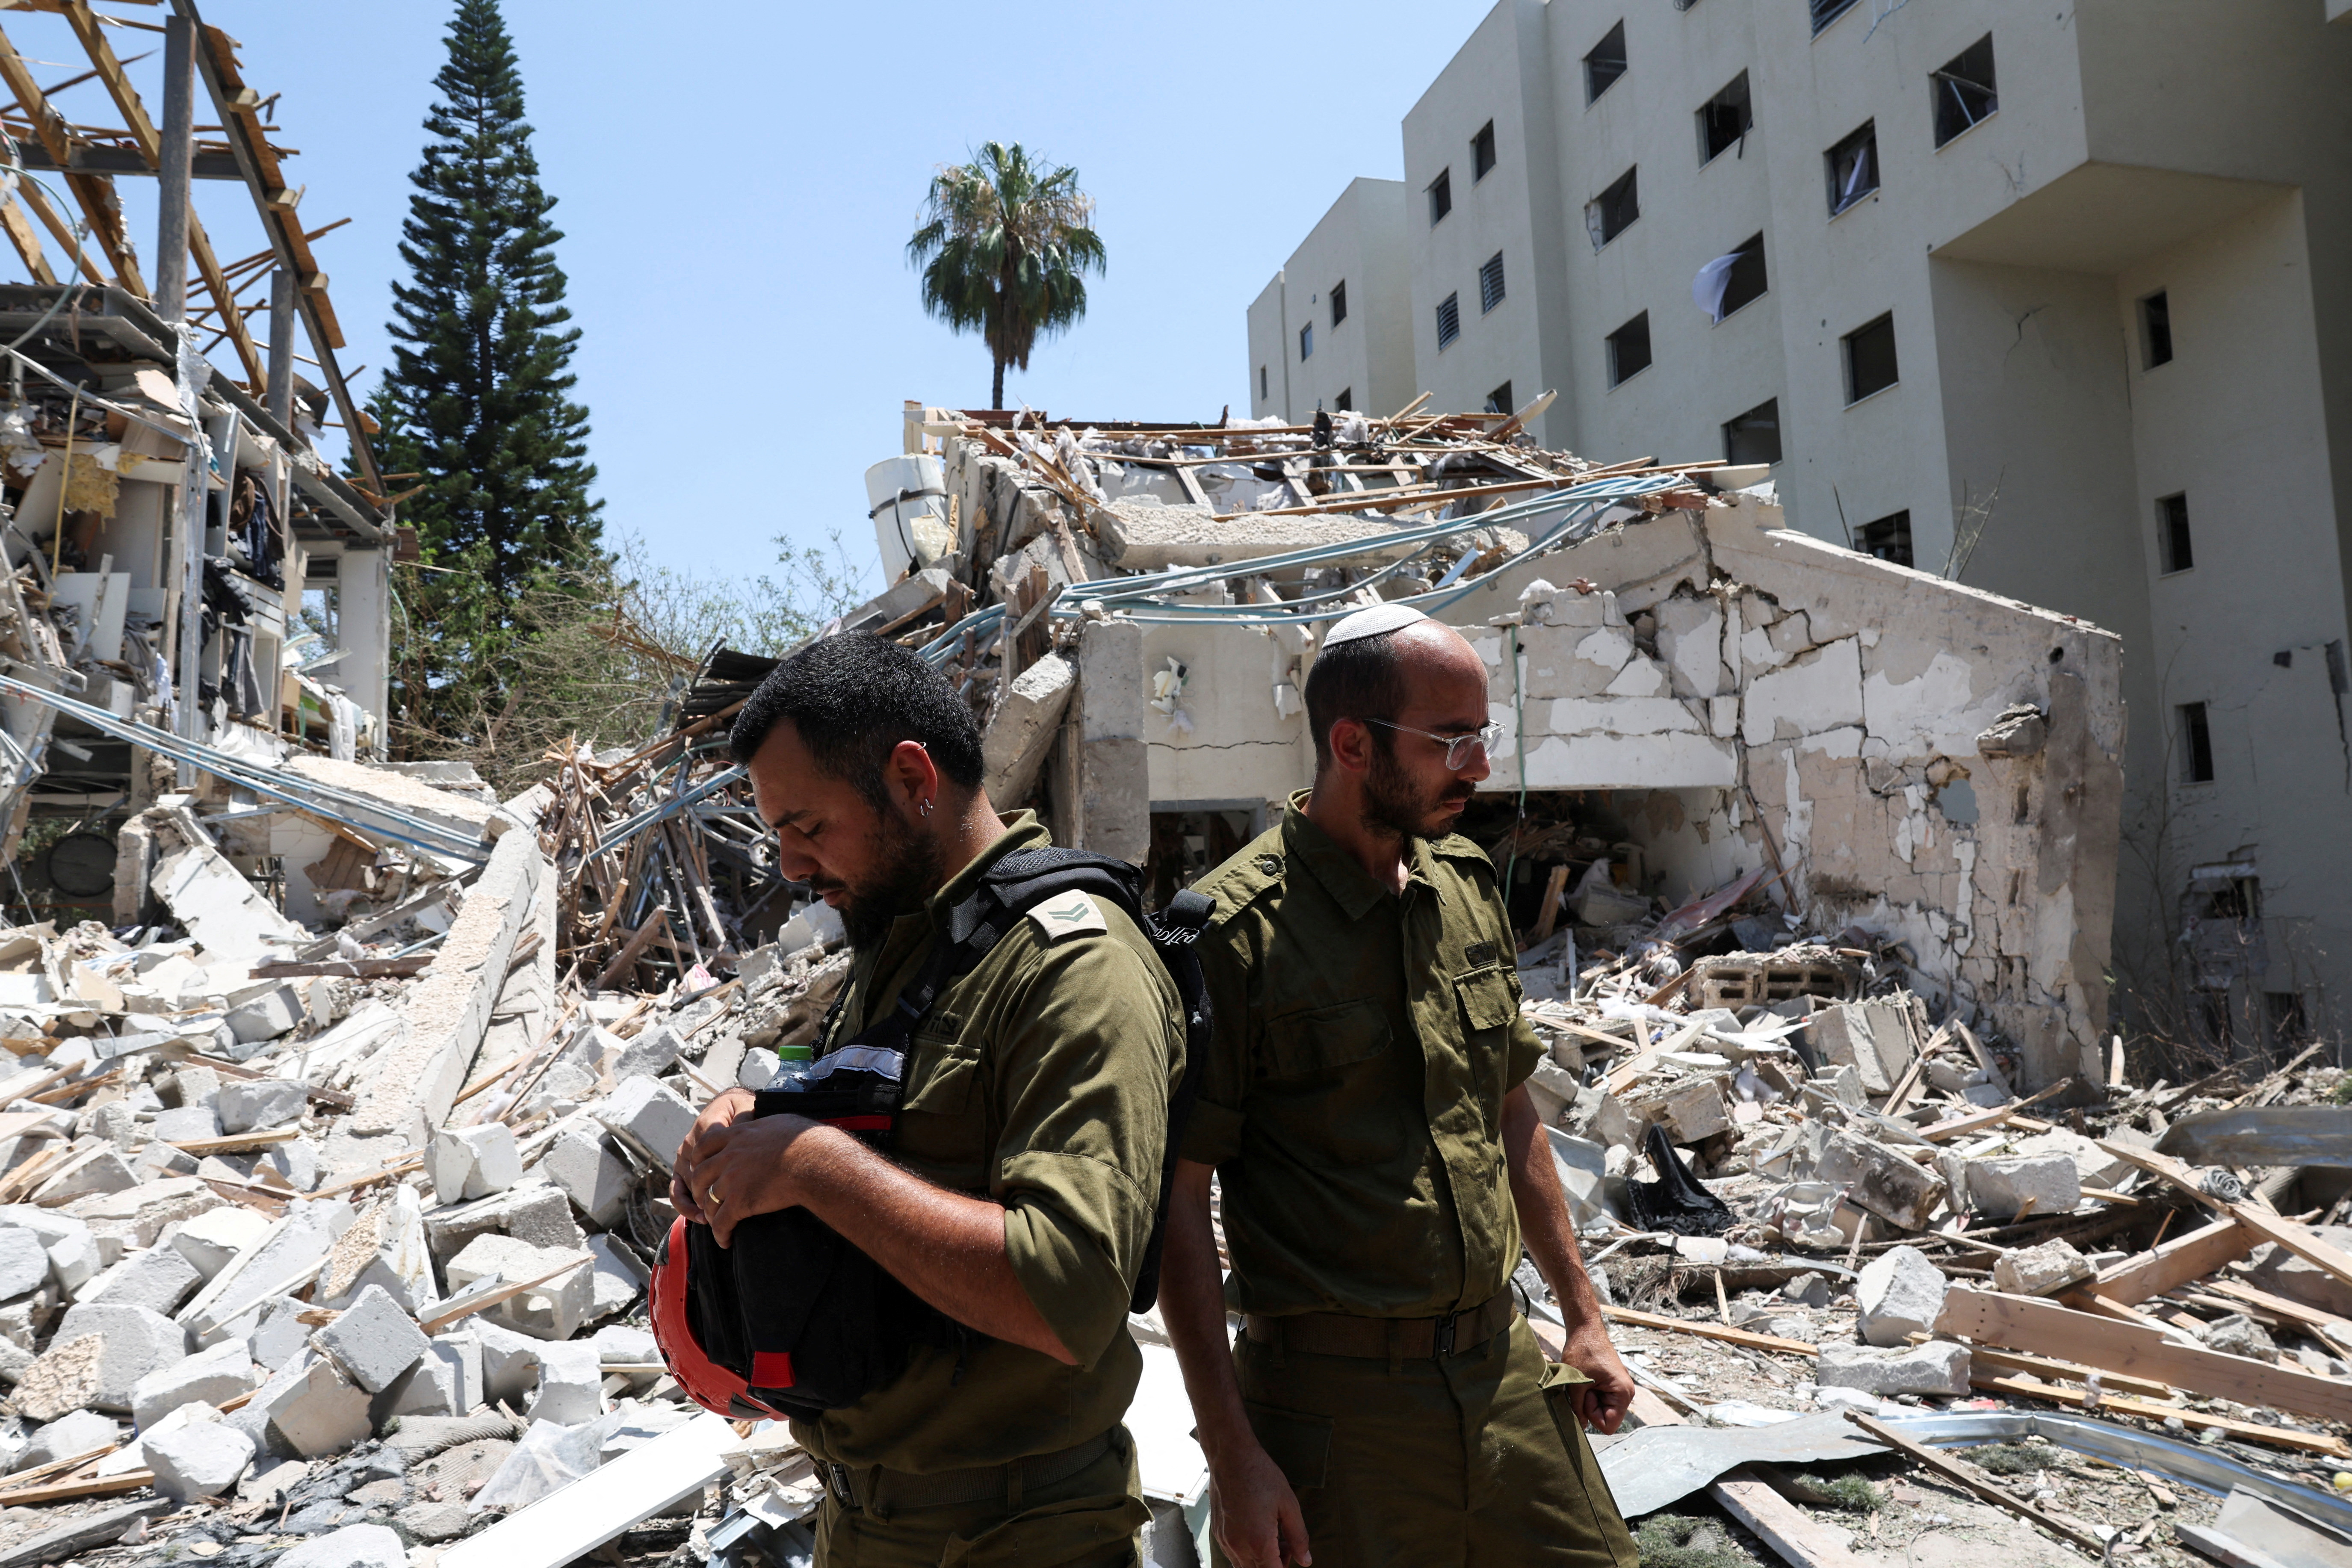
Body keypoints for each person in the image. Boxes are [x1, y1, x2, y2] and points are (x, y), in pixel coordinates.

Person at [671, 632, 1184, 1567]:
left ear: (912, 778)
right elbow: (885, 1120)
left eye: (809, 826)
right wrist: (754, 1115)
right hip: (872, 1522)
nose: (790, 866)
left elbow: (1065, 1289)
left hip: (1016, 1534)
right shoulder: (911, 942)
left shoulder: (1073, 963)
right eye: (776, 833)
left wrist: (815, 1168)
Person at [1160, 603, 1638, 1568]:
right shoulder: (1231, 930)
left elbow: (1510, 1118)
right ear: (1350, 742)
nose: (1478, 767)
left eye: (1480, 736)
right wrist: (1233, 1452)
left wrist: (1583, 1318)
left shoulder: (1463, 886)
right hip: (1333, 1416)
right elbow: (1176, 1203)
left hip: (1499, 1373)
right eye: (1450, 740)